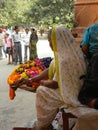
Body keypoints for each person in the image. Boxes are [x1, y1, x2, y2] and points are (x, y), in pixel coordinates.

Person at [15, 26, 98, 130]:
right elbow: (50, 69)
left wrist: (42, 83)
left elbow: (55, 84)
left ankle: (44, 124)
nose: (50, 45)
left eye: (51, 41)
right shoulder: (77, 53)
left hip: (71, 95)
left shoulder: (64, 59)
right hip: (80, 90)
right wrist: (32, 80)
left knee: (42, 91)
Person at [78, 23, 98, 110]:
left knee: (84, 96)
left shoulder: (91, 29)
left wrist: (89, 57)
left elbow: (84, 48)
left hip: (96, 61)